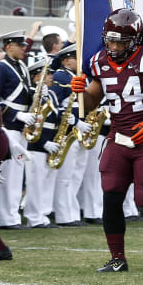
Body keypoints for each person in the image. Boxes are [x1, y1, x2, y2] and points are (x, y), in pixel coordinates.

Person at [70, 9, 143, 272]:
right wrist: (79, 92)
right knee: (110, 196)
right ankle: (117, 258)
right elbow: (89, 104)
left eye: (120, 41)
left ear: (134, 40)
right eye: (110, 40)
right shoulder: (99, 61)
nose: (114, 46)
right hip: (117, 137)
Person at [51, 44, 94, 226]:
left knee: (76, 174)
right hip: (69, 130)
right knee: (65, 175)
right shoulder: (61, 76)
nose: (79, 61)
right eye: (76, 58)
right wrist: (75, 122)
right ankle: (63, 214)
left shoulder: (76, 77)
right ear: (67, 60)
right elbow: (56, 105)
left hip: (79, 131)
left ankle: (72, 212)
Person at [0, 30, 34, 230]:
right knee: (8, 174)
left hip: (23, 126)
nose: (24, 49)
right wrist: (15, 114)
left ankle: (12, 216)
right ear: (9, 46)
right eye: (20, 46)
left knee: (17, 174)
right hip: (8, 125)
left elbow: (25, 94)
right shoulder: (1, 68)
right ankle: (6, 218)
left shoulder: (22, 67)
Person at [21, 58, 59, 228]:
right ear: (37, 77)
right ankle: (33, 217)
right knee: (35, 182)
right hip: (36, 143)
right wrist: (43, 143)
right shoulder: (32, 94)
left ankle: (42, 213)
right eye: (48, 74)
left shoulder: (49, 94)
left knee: (45, 182)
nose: (51, 77)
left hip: (49, 140)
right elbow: (33, 124)